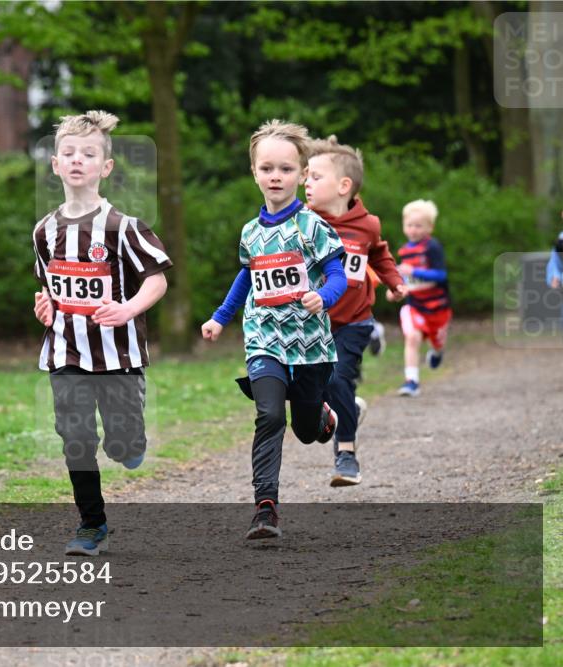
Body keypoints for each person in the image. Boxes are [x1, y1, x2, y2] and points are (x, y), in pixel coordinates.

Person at [32, 110, 171, 556]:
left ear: (105, 167)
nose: (78, 160)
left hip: (118, 355)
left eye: (88, 154)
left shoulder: (124, 227)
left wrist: (128, 308)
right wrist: (44, 305)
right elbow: (48, 286)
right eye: (69, 153)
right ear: (55, 164)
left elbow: (157, 280)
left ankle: (129, 440)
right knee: (75, 438)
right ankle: (92, 524)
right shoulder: (44, 231)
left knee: (122, 446)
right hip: (65, 352)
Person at [201, 119, 346, 539]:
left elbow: (338, 275)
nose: (275, 176)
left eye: (285, 169)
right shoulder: (250, 232)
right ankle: (265, 508)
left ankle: (321, 414)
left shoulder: (312, 226)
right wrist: (219, 317)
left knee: (305, 430)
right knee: (269, 415)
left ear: (302, 175)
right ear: (254, 173)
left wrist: (324, 297)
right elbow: (246, 278)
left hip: (309, 343)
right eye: (267, 168)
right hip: (264, 337)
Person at [304, 135, 408, 487]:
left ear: (343, 186)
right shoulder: (302, 222)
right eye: (306, 176)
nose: (306, 183)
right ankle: (348, 407)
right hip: (311, 325)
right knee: (313, 393)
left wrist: (395, 282)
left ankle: (346, 455)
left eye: (315, 177)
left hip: (354, 321)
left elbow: (379, 254)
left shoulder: (368, 225)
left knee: (339, 380)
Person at [391, 199, 451, 397]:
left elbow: (441, 275)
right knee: (412, 337)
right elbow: (404, 279)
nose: (413, 230)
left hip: (438, 307)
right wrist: (396, 288)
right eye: (409, 225)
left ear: (429, 227)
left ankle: (437, 352)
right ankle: (411, 381)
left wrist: (415, 271)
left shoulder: (432, 247)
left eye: (418, 226)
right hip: (415, 306)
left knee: (437, 343)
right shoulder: (404, 251)